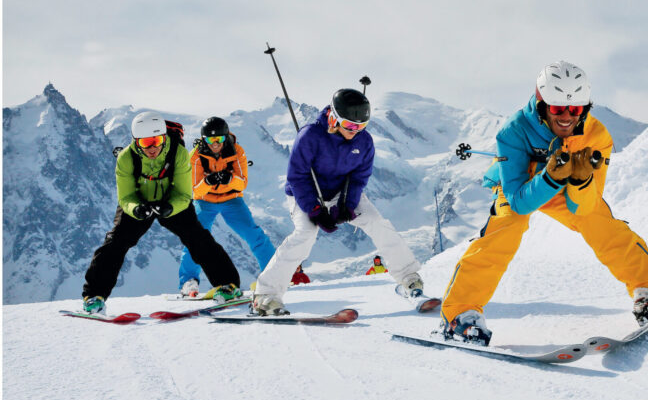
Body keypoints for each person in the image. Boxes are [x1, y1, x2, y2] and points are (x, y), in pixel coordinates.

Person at [440, 62, 648, 346]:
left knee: (601, 225)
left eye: (574, 110)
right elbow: (518, 202)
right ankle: (460, 315)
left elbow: (584, 209)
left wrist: (582, 182)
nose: (566, 117)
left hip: (565, 187)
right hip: (520, 184)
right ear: (541, 105)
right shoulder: (513, 131)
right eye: (557, 109)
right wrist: (549, 177)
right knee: (504, 230)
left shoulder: (596, 136)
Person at [252, 89, 424, 315]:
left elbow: (359, 177)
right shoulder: (310, 136)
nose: (356, 132)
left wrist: (347, 205)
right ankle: (265, 295)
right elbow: (297, 176)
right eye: (351, 126)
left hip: (340, 193)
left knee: (377, 223)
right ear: (334, 118)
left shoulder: (364, 142)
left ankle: (410, 278)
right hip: (306, 193)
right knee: (305, 235)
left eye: (361, 126)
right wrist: (314, 209)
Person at [81, 112, 241, 313]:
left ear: (164, 137)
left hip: (173, 201)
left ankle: (228, 285)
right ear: (136, 141)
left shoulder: (179, 153)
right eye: (146, 142)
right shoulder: (126, 159)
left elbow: (184, 194)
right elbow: (126, 197)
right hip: (138, 203)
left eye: (157, 140)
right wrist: (136, 209)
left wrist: (170, 208)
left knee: (197, 238)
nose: (152, 148)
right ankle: (94, 296)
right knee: (115, 242)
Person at [177, 117, 276, 297]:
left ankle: (274, 274)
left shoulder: (237, 151)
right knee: (194, 238)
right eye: (210, 140)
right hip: (205, 201)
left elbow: (242, 183)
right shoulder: (196, 156)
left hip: (232, 200)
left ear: (226, 137)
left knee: (253, 233)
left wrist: (230, 179)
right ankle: (188, 282)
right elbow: (195, 189)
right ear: (203, 139)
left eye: (219, 139)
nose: (215, 144)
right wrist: (208, 181)